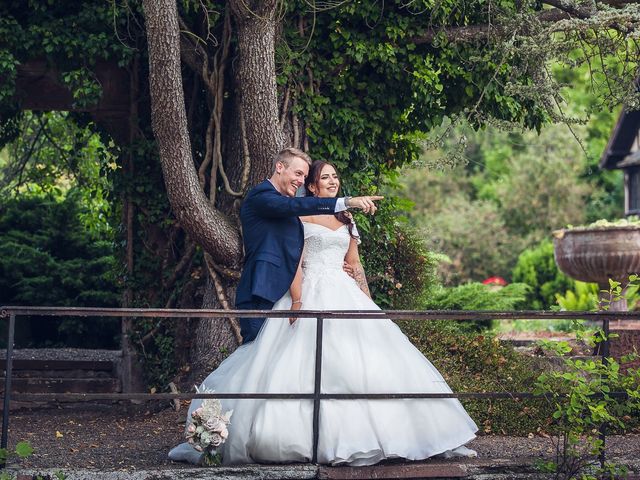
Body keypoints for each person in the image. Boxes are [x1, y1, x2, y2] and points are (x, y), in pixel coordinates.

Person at [169, 160, 478, 466]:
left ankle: (398, 435)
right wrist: (299, 301)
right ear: (312, 187)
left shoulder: (346, 220)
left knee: (367, 363)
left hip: (344, 292)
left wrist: (370, 305)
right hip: (310, 290)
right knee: (298, 363)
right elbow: (294, 262)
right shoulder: (299, 215)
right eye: (323, 177)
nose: (332, 181)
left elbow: (354, 265)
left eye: (335, 176)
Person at [235, 147, 382, 343]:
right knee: (256, 355)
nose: (301, 181)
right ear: (280, 167)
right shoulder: (262, 196)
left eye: (304, 176)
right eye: (298, 173)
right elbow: (296, 206)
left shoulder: (288, 206)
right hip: (261, 289)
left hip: (284, 291)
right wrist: (347, 201)